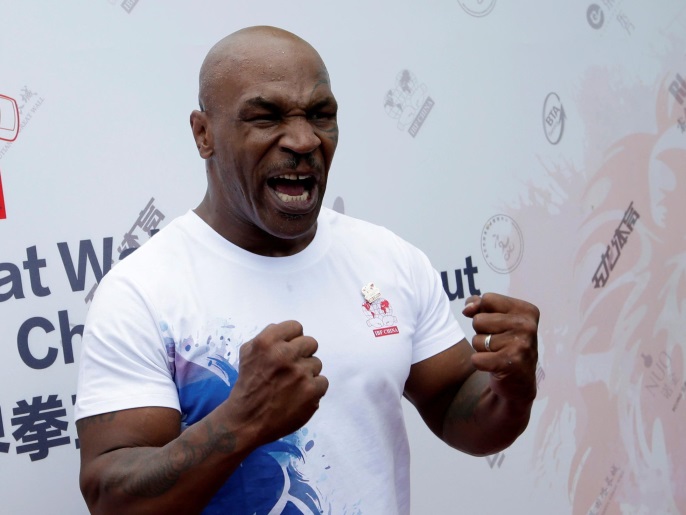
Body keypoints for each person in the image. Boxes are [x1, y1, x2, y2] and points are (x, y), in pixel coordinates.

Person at [74, 25, 540, 515]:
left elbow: (456, 409)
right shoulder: (141, 292)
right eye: (265, 116)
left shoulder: (389, 259)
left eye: (321, 115)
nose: (303, 139)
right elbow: (112, 498)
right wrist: (241, 420)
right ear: (204, 133)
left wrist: (511, 388)